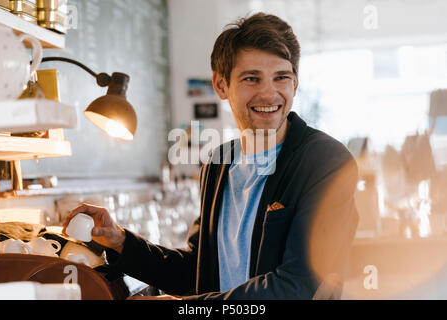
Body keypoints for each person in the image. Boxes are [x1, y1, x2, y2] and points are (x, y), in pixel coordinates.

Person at [63, 12, 359, 300]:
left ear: (295, 83)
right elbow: (198, 271)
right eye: (251, 79)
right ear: (220, 85)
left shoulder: (325, 162)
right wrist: (120, 240)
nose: (269, 93)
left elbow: (297, 287)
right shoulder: (219, 162)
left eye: (281, 77)